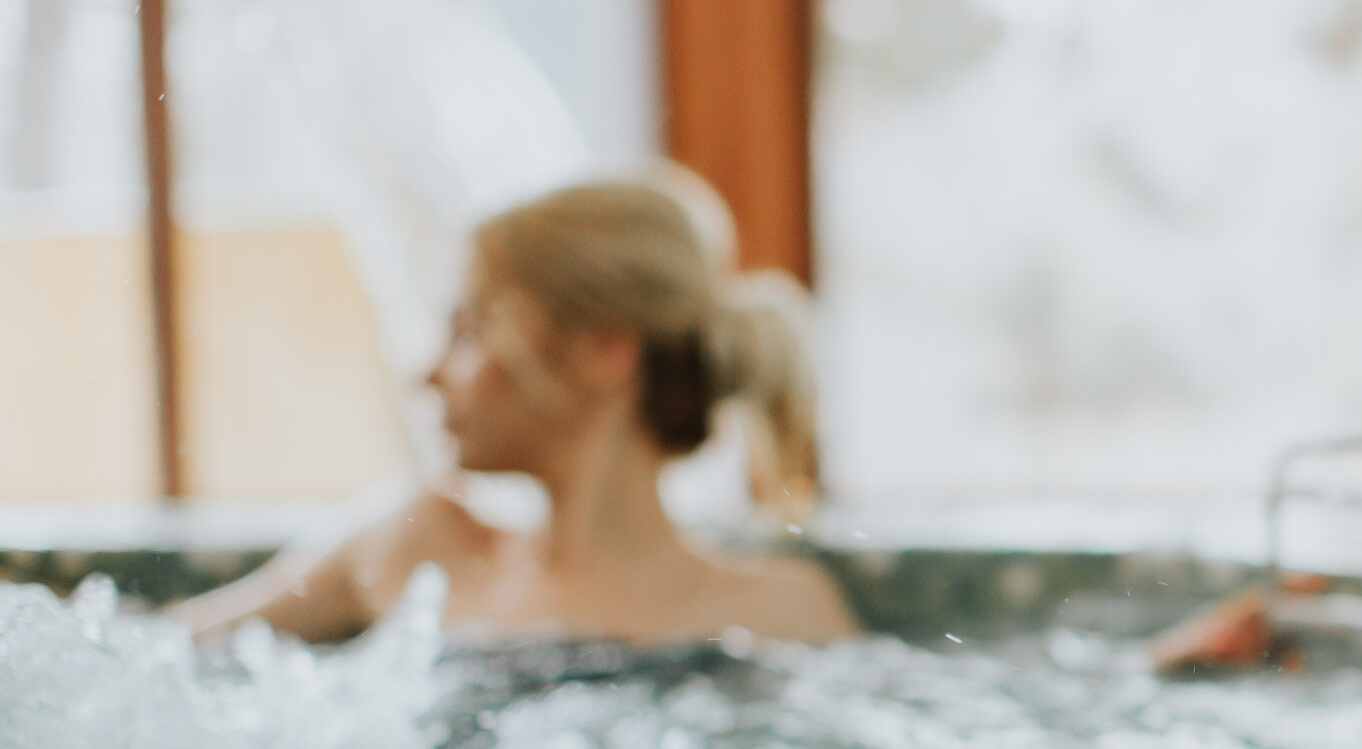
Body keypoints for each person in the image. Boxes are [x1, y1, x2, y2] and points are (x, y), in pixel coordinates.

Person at [173, 176, 856, 647]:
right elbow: (140, 663)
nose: (430, 374)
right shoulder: (413, 550)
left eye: (471, 331)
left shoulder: (778, 614)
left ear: (606, 350)